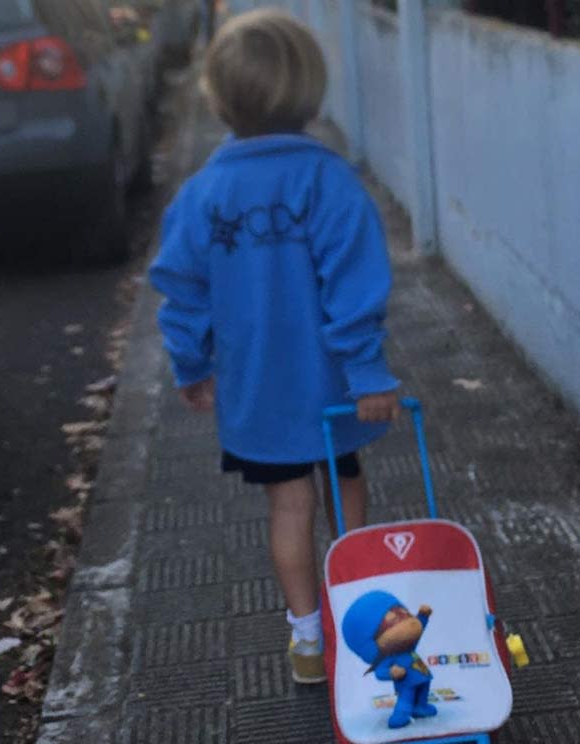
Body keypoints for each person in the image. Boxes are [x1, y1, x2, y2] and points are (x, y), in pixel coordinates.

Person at [149, 8, 400, 685]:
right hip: (334, 386)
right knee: (346, 483)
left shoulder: (203, 194)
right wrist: (369, 372)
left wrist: (192, 364)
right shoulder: (330, 183)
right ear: (310, 92)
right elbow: (356, 286)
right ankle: (362, 614)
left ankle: (308, 641)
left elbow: (182, 289)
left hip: (258, 388)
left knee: (289, 507)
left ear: (220, 98)